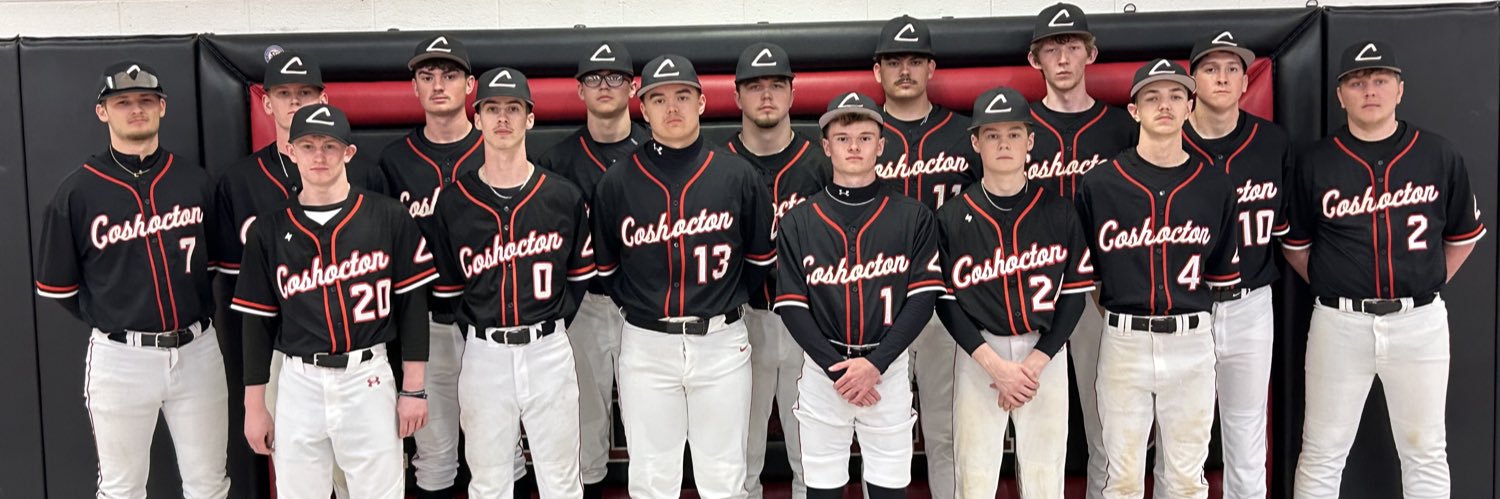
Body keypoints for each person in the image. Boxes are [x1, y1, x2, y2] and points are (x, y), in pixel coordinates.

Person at [1285, 41, 1484, 499]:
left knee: (1425, 451)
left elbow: (1463, 236)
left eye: (1380, 80)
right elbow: (1296, 246)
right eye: (1357, 82)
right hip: (1339, 322)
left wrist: (1425, 282)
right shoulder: (1316, 161)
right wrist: (1337, 282)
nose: (1369, 90)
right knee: (1321, 452)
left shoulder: (1437, 154)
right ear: (1341, 95)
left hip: (1420, 322)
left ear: (1400, 89)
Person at [35, 60, 231, 499]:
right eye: (122, 102)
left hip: (197, 350)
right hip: (121, 358)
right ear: (102, 111)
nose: (136, 109)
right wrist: (115, 313)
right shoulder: (77, 191)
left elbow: (213, 265)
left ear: (162, 107)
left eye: (146, 100)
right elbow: (59, 287)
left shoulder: (195, 182)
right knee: (122, 488)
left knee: (209, 484)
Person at [589, 54, 775, 499]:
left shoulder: (738, 175)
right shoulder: (617, 181)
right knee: (652, 479)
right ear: (643, 108)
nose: (672, 107)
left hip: (721, 342)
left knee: (724, 477)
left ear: (702, 103)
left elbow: (758, 263)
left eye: (682, 96)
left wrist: (720, 304)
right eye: (658, 99)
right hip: (646, 344)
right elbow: (608, 270)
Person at [232, 103, 434, 499]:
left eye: (329, 146)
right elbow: (256, 324)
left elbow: (413, 306)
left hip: (368, 375)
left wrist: (414, 389)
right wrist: (254, 407)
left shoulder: (388, 216)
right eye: (307, 146)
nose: (319, 156)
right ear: (291, 151)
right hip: (299, 381)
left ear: (349, 152)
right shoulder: (268, 230)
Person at [211, 50, 383, 499]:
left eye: (304, 92)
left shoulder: (364, 173)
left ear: (323, 98)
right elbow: (238, 292)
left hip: (358, 348)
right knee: (299, 479)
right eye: (284, 93)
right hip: (282, 355)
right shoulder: (240, 181)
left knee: (359, 481)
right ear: (266, 102)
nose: (294, 101)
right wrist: (253, 393)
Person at [1074, 60, 1239, 499]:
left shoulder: (1215, 185)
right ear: (1134, 111)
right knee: (1122, 479)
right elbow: (1089, 276)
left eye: (1175, 96)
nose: (1164, 105)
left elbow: (1220, 275)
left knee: (1185, 480)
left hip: (1191, 340)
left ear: (1190, 107)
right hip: (1124, 339)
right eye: (1152, 97)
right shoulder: (1100, 183)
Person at [429, 67, 593, 499]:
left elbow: (578, 278)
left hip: (548, 349)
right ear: (477, 118)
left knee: (561, 481)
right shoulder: (454, 202)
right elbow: (449, 291)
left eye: (513, 109)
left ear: (530, 118)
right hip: (484, 353)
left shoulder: (562, 195)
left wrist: (550, 325)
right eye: (492, 109)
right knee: (488, 484)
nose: (503, 118)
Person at [774, 91, 937, 499]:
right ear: (826, 146)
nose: (854, 147)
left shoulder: (913, 215)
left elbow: (922, 300)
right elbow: (792, 307)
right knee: (822, 491)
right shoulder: (799, 220)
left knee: (889, 491)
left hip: (888, 370)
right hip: (823, 371)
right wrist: (839, 371)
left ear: (880, 145)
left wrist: (875, 366)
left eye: (865, 138)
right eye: (843, 138)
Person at [939, 86, 1094, 499]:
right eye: (992, 134)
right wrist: (995, 366)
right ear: (976, 142)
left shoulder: (1060, 210)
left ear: (1030, 141)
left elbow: (1074, 296)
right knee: (974, 480)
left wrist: (1035, 363)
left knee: (1046, 480)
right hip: (980, 354)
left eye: (1013, 133)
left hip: (1044, 353)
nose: (1003, 143)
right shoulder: (951, 216)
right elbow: (946, 302)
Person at [1156, 30, 1292, 499]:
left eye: (1233, 68)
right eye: (1211, 68)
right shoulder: (1166, 142)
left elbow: (1286, 231)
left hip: (1250, 302)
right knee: (1177, 435)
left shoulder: (1272, 142)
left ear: (1245, 81)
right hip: (1184, 307)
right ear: (1192, 81)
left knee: (1247, 431)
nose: (1223, 77)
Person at [1024, 7, 1136, 495]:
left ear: (1091, 53)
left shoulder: (1121, 128)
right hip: (1031, 289)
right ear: (1035, 60)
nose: (1063, 58)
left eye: (1073, 46)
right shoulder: (1016, 126)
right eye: (1052, 48)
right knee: (1034, 429)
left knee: (1105, 423)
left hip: (1098, 290)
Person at [533, 41, 650, 498]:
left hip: (644, 306)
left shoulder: (656, 150)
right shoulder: (556, 161)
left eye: (615, 77)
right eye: (594, 78)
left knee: (650, 423)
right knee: (585, 424)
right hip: (585, 304)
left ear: (633, 87)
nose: (605, 86)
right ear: (579, 89)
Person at [869, 16, 978, 497]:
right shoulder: (862, 134)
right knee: (879, 434)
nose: (905, 70)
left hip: (946, 303)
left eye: (915, 60)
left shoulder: (963, 134)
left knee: (946, 433)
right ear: (878, 71)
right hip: (877, 306)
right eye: (894, 61)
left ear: (931, 68)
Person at [376, 34, 483, 498]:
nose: (439, 85)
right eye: (427, 75)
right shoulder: (393, 161)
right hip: (426, 324)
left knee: (499, 452)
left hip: (490, 324)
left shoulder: (496, 148)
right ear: (415, 87)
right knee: (434, 456)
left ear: (470, 85)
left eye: (450, 75)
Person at [725, 41, 829, 499]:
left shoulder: (821, 163)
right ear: (736, 96)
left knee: (811, 449)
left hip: (809, 319)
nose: (766, 95)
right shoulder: (718, 165)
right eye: (754, 86)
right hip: (741, 320)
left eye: (776, 85)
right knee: (739, 451)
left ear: (792, 92)